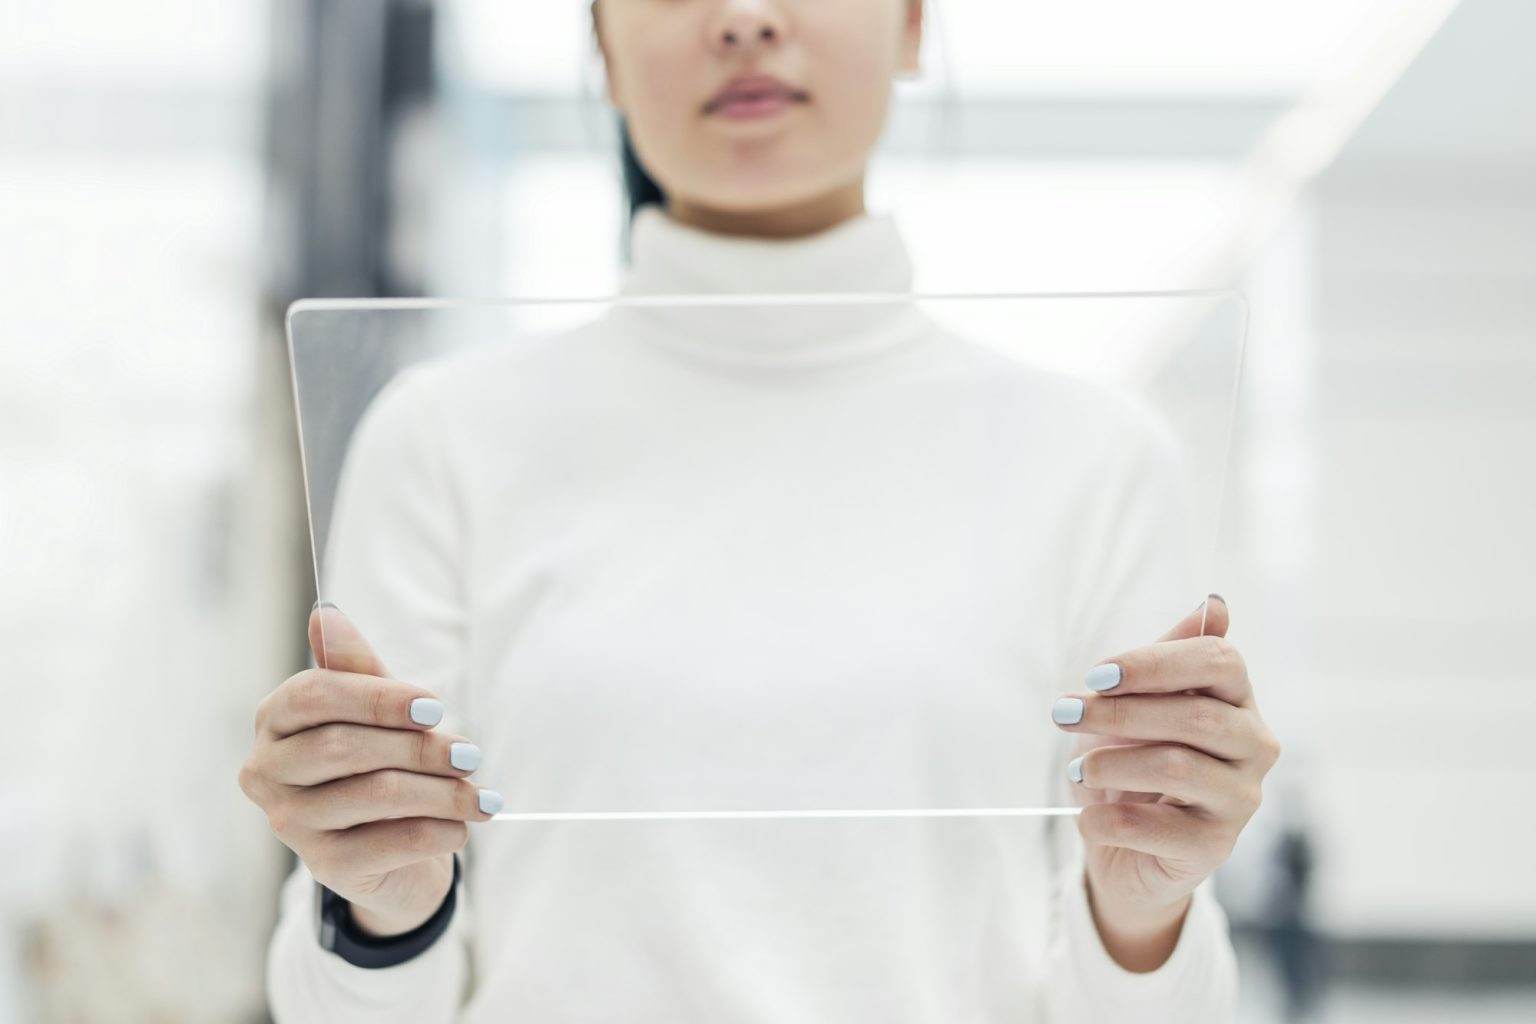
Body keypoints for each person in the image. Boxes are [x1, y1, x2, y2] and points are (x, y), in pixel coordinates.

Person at [240, 2, 1280, 1020]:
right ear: (599, 38)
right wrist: (383, 900)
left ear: (913, 23)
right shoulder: (438, 443)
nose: (742, 17)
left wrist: (1145, 901)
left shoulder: (1098, 463)